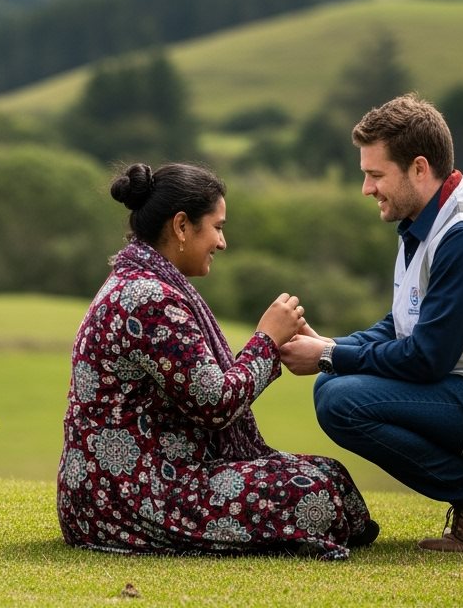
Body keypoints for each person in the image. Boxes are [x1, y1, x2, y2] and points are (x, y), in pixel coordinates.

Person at [280, 94, 463, 554]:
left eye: (375, 175)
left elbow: (426, 359)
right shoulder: (430, 217)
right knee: (333, 386)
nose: (366, 188)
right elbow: (403, 324)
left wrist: (327, 355)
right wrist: (333, 346)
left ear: (419, 169)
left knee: (341, 402)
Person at [57, 162, 376, 560]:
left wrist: (269, 344)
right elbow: (214, 404)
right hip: (128, 497)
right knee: (312, 494)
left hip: (124, 485)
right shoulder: (150, 300)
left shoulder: (147, 284)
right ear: (181, 226)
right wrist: (265, 340)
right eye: (218, 226)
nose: (222, 242)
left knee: (330, 476)